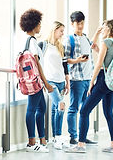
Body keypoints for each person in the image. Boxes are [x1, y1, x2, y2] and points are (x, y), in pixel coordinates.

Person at [65, 19, 113, 153]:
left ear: (109, 28)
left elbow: (98, 65)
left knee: (84, 111)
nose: (102, 29)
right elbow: (108, 60)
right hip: (112, 82)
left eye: (103, 27)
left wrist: (92, 82)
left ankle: (80, 145)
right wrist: (98, 49)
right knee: (109, 113)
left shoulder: (105, 42)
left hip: (103, 80)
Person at [19, 9, 53, 153]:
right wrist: (45, 83)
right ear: (34, 24)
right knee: (32, 109)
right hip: (35, 81)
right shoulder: (32, 42)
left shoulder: (28, 41)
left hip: (32, 81)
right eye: (39, 23)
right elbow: (37, 64)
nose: (40, 26)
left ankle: (42, 140)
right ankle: (32, 143)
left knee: (41, 109)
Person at [64, 11, 98, 145]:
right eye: (78, 23)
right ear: (72, 24)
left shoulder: (86, 38)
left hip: (88, 79)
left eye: (82, 22)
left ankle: (83, 137)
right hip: (76, 79)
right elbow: (65, 60)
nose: (81, 25)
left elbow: (91, 59)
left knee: (85, 109)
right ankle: (73, 137)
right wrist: (77, 60)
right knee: (74, 108)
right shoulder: (69, 39)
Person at [38, 21, 70, 150]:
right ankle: (58, 136)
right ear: (54, 30)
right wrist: (42, 81)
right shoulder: (43, 45)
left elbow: (65, 66)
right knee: (61, 106)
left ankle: (55, 139)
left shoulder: (61, 46)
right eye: (61, 30)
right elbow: (37, 62)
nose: (62, 33)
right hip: (50, 81)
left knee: (55, 109)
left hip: (61, 81)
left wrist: (67, 82)